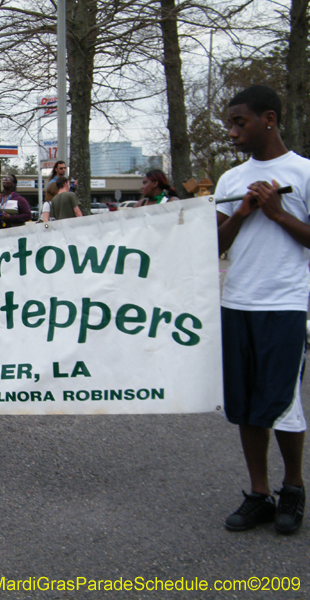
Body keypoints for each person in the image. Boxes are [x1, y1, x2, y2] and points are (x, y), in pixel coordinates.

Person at [216, 84, 307, 534]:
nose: (232, 132)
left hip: (286, 302)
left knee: (283, 402)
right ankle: (259, 493)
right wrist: (242, 213)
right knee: (246, 402)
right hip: (237, 301)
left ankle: (293, 487)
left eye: (240, 122)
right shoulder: (231, 181)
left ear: (268, 119)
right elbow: (212, 246)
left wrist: (278, 213)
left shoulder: (304, 172)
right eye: (230, 124)